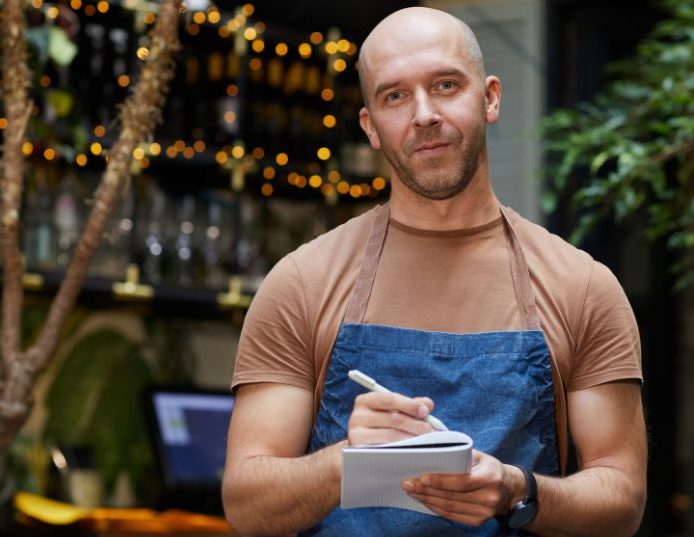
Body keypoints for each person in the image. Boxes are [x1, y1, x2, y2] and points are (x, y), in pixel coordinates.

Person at [222, 7, 646, 536]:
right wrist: (349, 460)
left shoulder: (580, 286)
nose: (424, 114)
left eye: (446, 85)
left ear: (490, 98)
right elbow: (246, 505)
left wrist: (518, 490)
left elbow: (623, 499)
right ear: (370, 127)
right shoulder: (302, 283)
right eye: (395, 96)